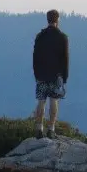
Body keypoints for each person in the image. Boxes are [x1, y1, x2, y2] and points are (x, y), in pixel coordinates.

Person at [32, 9, 69, 139]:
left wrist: (36, 74)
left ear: (47, 20)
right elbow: (65, 59)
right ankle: (51, 129)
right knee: (54, 101)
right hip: (55, 75)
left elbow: (35, 57)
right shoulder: (62, 37)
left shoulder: (40, 36)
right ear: (57, 20)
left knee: (41, 101)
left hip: (41, 74)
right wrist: (64, 77)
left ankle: (38, 128)